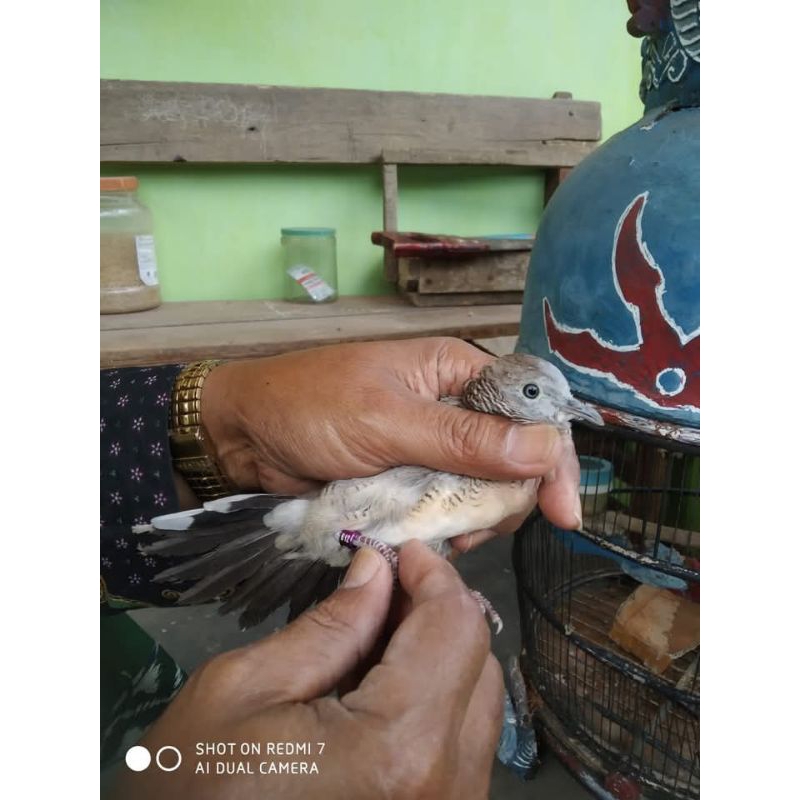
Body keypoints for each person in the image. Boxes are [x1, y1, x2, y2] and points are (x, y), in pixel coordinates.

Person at [101, 336, 581, 798]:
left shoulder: (530, 452)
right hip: (340, 516)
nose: (565, 412)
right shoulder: (456, 423)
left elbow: (426, 537)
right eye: (536, 395)